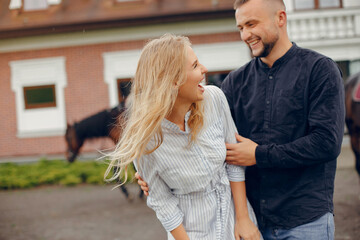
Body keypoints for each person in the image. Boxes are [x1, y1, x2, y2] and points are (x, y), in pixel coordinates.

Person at [136, 0, 345, 239]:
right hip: (249, 225)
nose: (246, 35)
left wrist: (259, 154)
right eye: (240, 28)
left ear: (281, 18)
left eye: (252, 24)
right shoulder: (234, 83)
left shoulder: (320, 70)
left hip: (305, 221)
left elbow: (326, 143)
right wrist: (155, 173)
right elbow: (209, 141)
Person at [105, 34, 261, 240]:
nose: (204, 69)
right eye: (195, 65)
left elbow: (234, 162)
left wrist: (243, 219)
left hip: (237, 223)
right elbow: (162, 202)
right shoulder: (145, 139)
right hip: (192, 233)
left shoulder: (214, 98)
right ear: (173, 80)